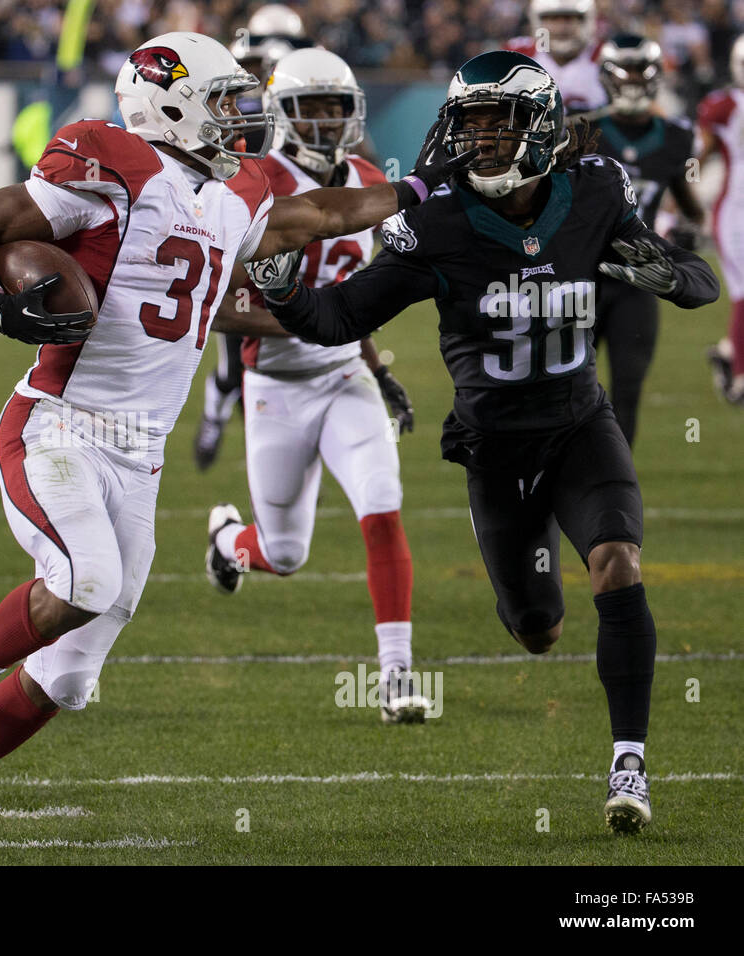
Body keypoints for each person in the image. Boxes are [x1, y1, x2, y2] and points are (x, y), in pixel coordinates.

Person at [0, 31, 472, 848]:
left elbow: (312, 217)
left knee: (69, 676)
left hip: (142, 454)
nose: (243, 118)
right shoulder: (110, 162)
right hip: (59, 423)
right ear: (167, 103)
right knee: (85, 581)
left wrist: (413, 187)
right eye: (224, 101)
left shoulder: (238, 192)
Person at [251, 51, 719, 834]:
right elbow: (340, 320)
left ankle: (629, 763)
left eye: (498, 123)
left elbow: (695, 280)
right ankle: (541, 608)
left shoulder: (596, 191)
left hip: (578, 426)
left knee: (618, 563)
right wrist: (284, 292)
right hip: (493, 446)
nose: (482, 140)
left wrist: (673, 278)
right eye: (469, 123)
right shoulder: (436, 218)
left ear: (537, 126)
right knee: (537, 629)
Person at [203, 48, 428, 724]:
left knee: (382, 502)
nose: (329, 120)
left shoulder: (365, 178)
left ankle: (396, 678)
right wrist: (302, 322)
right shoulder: (252, 184)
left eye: (338, 106)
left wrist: (378, 368)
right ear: (282, 112)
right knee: (286, 552)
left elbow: (354, 298)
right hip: (276, 383)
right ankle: (226, 543)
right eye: (314, 107)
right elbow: (213, 305)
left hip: (343, 377)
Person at [194, 4, 309, 472]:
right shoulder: (233, 96)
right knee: (232, 360)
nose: (264, 72)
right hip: (237, 226)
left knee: (296, 347)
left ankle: (288, 452)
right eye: (260, 63)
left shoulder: (303, 85)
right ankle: (215, 418)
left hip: (287, 228)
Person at [590, 34, 705, 444]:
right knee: (564, 391)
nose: (634, 80)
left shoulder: (675, 137)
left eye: (642, 71)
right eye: (627, 71)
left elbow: (690, 207)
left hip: (638, 283)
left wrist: (689, 229)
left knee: (627, 393)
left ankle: (614, 491)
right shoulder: (582, 129)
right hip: (579, 279)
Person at [699, 35, 744, 405]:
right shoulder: (726, 105)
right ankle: (740, 379)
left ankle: (729, 352)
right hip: (736, 213)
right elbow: (701, 155)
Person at [505, 0, 606, 113]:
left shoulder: (603, 57)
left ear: (587, 20)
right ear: (537, 21)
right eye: (552, 19)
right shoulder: (518, 55)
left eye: (569, 19)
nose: (561, 28)